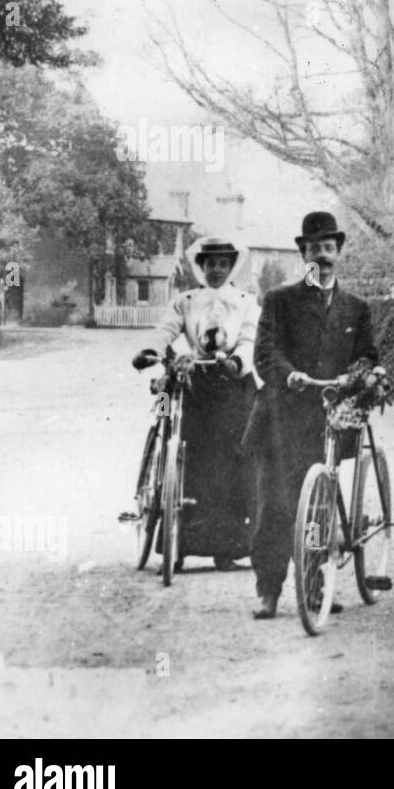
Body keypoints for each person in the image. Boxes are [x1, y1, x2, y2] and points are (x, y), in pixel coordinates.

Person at [241, 212, 377, 620]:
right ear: (304, 255)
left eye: (329, 248)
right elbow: (264, 352)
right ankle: (268, 590)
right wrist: (290, 375)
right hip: (280, 418)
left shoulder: (356, 308)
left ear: (338, 253)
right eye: (314, 248)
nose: (322, 256)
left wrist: (364, 376)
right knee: (274, 506)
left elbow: (367, 356)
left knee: (320, 505)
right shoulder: (279, 301)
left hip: (328, 419)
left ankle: (317, 583)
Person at [132, 236, 259, 571]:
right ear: (200, 267)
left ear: (231, 267)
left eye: (222, 264)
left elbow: (249, 340)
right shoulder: (186, 301)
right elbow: (166, 330)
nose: (215, 270)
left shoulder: (246, 302)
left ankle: (227, 549)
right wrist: (153, 350)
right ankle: (180, 544)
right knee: (191, 459)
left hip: (233, 384)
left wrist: (236, 362)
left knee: (233, 461)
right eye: (209, 264)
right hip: (196, 385)